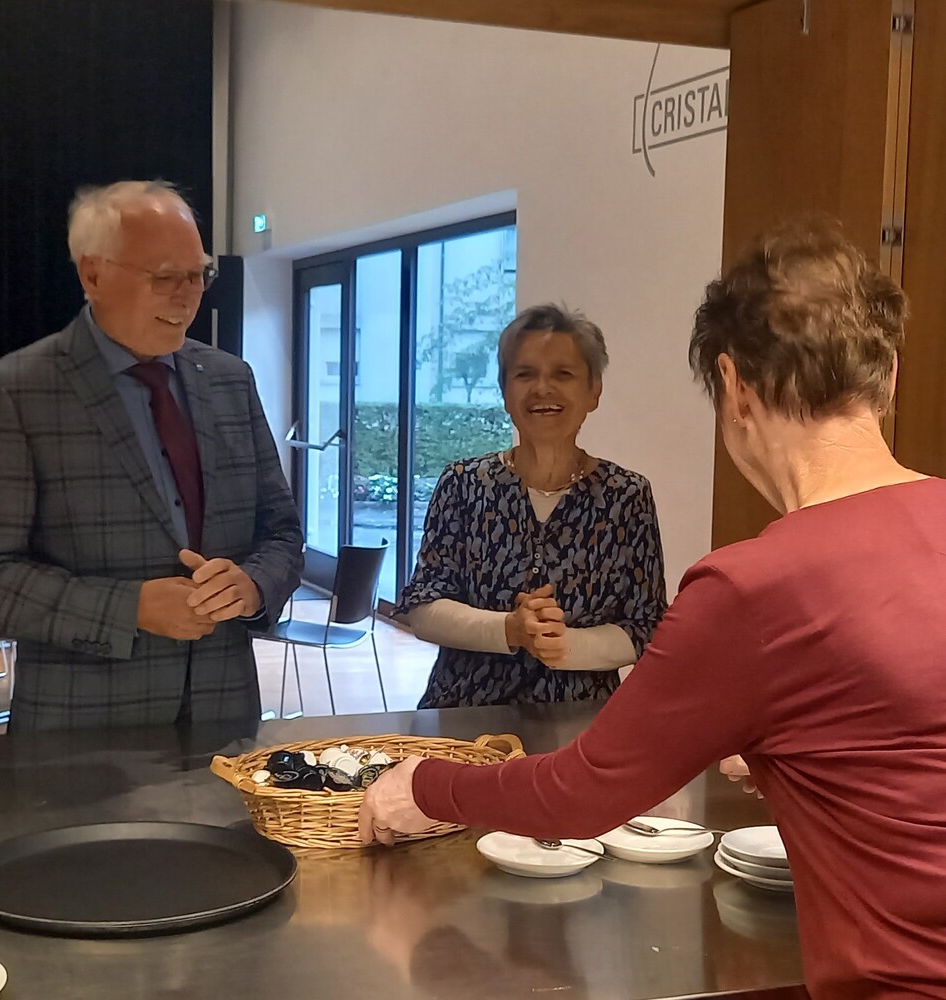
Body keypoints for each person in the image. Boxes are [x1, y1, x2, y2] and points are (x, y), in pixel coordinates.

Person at [357, 221, 946, 999]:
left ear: (734, 385)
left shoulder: (752, 589)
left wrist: (426, 786)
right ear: (889, 375)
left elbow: (581, 795)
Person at [0, 180, 303, 731]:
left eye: (199, 275)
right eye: (165, 277)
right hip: (83, 728)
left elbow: (281, 532)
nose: (188, 297)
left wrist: (252, 585)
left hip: (224, 715)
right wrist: (128, 608)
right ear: (93, 275)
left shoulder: (230, 380)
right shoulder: (18, 391)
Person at [398, 304, 667, 707]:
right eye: (525, 374)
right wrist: (509, 628)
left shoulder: (626, 496)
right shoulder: (464, 484)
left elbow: (647, 624)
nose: (542, 388)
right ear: (505, 392)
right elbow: (423, 606)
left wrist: (567, 645)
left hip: (581, 718)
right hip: (464, 712)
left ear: (593, 391)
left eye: (563, 374)